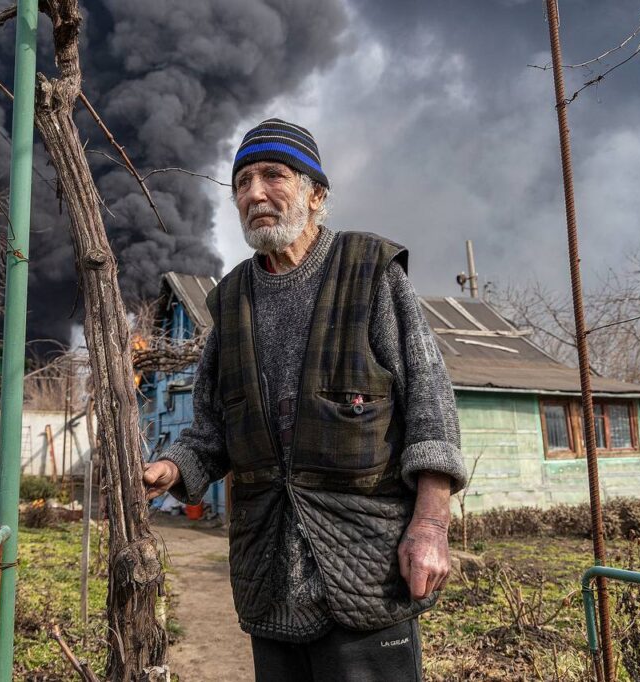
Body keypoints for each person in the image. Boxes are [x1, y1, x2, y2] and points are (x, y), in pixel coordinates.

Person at [142, 118, 468, 681]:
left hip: (367, 565)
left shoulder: (369, 272)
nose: (254, 194)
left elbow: (431, 409)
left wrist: (431, 528)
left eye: (273, 175)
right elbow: (212, 430)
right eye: (242, 182)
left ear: (316, 194)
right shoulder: (231, 302)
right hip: (267, 574)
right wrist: (171, 468)